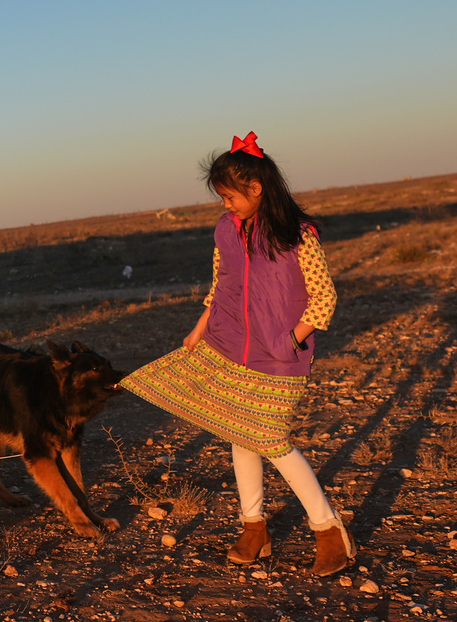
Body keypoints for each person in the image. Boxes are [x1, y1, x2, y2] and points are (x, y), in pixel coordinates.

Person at [121, 132, 357, 576]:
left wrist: (293, 338)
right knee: (239, 435)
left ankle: (328, 531)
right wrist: (198, 329)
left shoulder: (296, 234)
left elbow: (324, 296)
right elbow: (221, 283)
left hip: (279, 355)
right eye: (221, 198)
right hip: (228, 346)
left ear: (256, 189)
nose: (225, 205)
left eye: (229, 197)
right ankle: (255, 529)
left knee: (271, 440)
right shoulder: (225, 231)